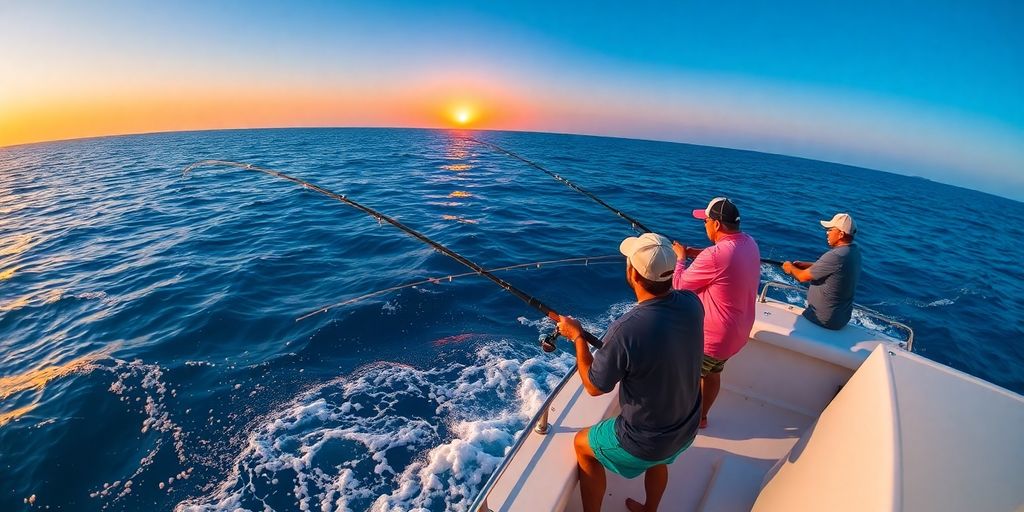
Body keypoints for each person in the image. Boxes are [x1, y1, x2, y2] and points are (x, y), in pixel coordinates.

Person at [557, 232, 703, 512]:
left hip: (647, 442)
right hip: (686, 428)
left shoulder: (625, 330)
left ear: (633, 274)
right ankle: (650, 508)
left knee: (582, 446)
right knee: (662, 459)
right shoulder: (691, 303)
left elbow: (593, 386)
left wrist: (577, 336)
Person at [671, 197, 760, 429]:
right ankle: (702, 417)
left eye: (707, 221)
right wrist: (695, 252)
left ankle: (680, 424)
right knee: (712, 373)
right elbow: (723, 254)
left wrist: (681, 258)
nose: (705, 225)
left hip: (711, 339)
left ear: (717, 225)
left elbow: (680, 285)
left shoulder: (715, 255)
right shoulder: (750, 242)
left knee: (684, 381)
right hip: (737, 334)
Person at [782, 213, 862, 330]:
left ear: (841, 234)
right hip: (841, 318)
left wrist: (789, 267)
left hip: (822, 319)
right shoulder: (854, 250)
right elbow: (837, 268)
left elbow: (802, 277)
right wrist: (807, 265)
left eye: (830, 229)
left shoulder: (836, 255)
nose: (827, 233)